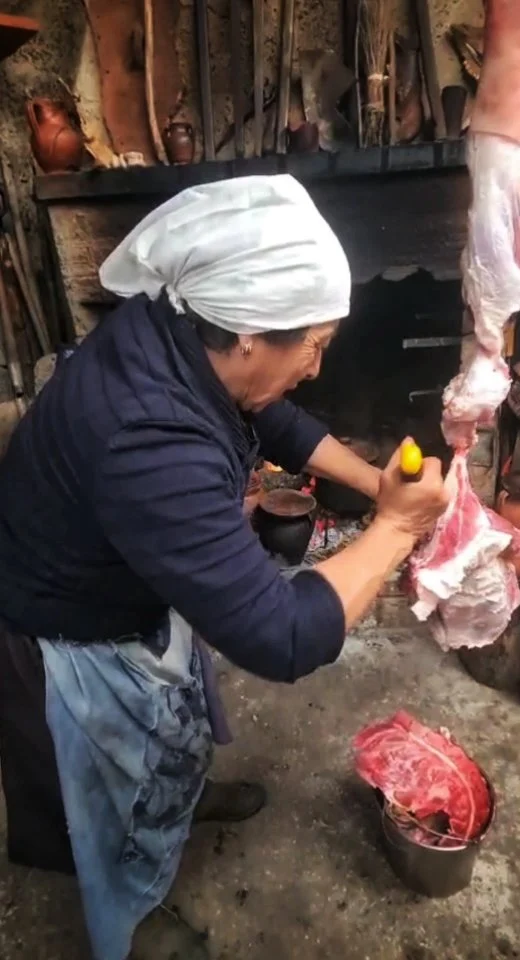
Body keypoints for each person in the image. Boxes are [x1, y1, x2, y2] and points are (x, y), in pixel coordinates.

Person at [0, 175, 448, 960]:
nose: (314, 366)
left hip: (120, 578)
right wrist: (398, 527)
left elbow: (267, 410)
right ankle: (133, 925)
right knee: (114, 795)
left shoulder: (182, 329)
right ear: (250, 335)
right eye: (313, 344)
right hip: (70, 622)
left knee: (166, 737)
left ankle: (181, 798)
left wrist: (376, 484)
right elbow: (282, 637)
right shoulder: (148, 440)